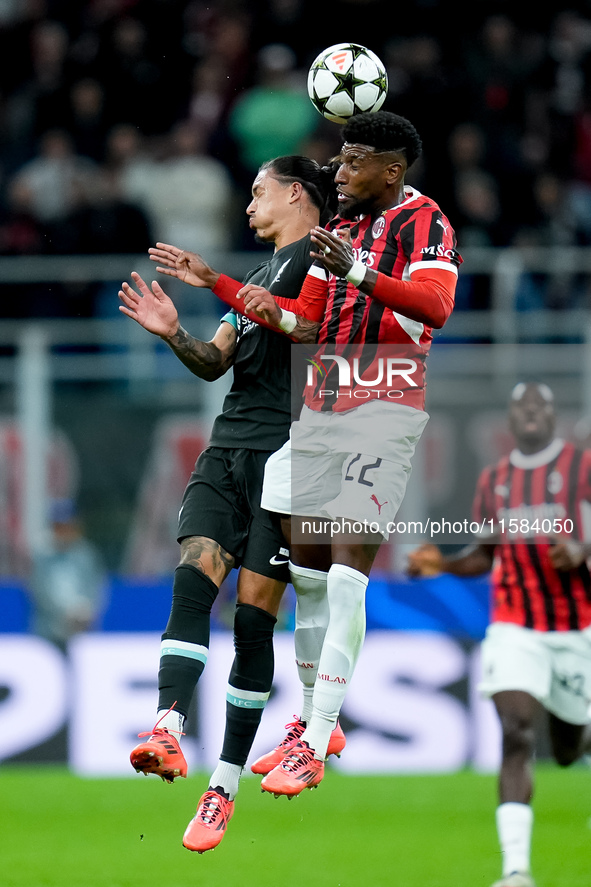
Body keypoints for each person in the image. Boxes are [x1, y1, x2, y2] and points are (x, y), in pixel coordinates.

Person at [210, 111, 462, 797]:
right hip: (319, 401)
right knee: (310, 568)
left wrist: (359, 270)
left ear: (392, 169)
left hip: (384, 398)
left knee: (348, 562)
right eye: (339, 161)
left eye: (352, 163)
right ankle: (309, 719)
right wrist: (234, 293)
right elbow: (308, 323)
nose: (338, 174)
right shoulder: (343, 229)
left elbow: (434, 306)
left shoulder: (425, 221)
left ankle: (315, 737)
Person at [118, 155, 342, 853]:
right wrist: (173, 333)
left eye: (258, 192)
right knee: (191, 577)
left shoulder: (325, 261)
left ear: (297, 194)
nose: (248, 206)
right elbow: (216, 360)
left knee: (252, 623)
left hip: (289, 460)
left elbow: (299, 329)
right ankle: (168, 726)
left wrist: (211, 279)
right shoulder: (251, 277)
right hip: (226, 451)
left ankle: (223, 787)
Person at [407, 382, 591, 887]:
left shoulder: (582, 468)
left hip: (575, 629)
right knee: (515, 734)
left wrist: (582, 552)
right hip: (513, 626)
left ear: (553, 417)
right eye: (521, 407)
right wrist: (442, 564)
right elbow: (487, 554)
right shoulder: (496, 481)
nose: (531, 413)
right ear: (511, 421)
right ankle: (516, 871)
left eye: (541, 406)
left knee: (570, 747)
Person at [28, 498, 106, 651]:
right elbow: (40, 592)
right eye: (59, 526)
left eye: (68, 526)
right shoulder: (40, 556)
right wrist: (65, 614)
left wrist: (85, 611)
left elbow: (96, 588)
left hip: (83, 631)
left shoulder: (86, 555)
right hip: (48, 633)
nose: (64, 531)